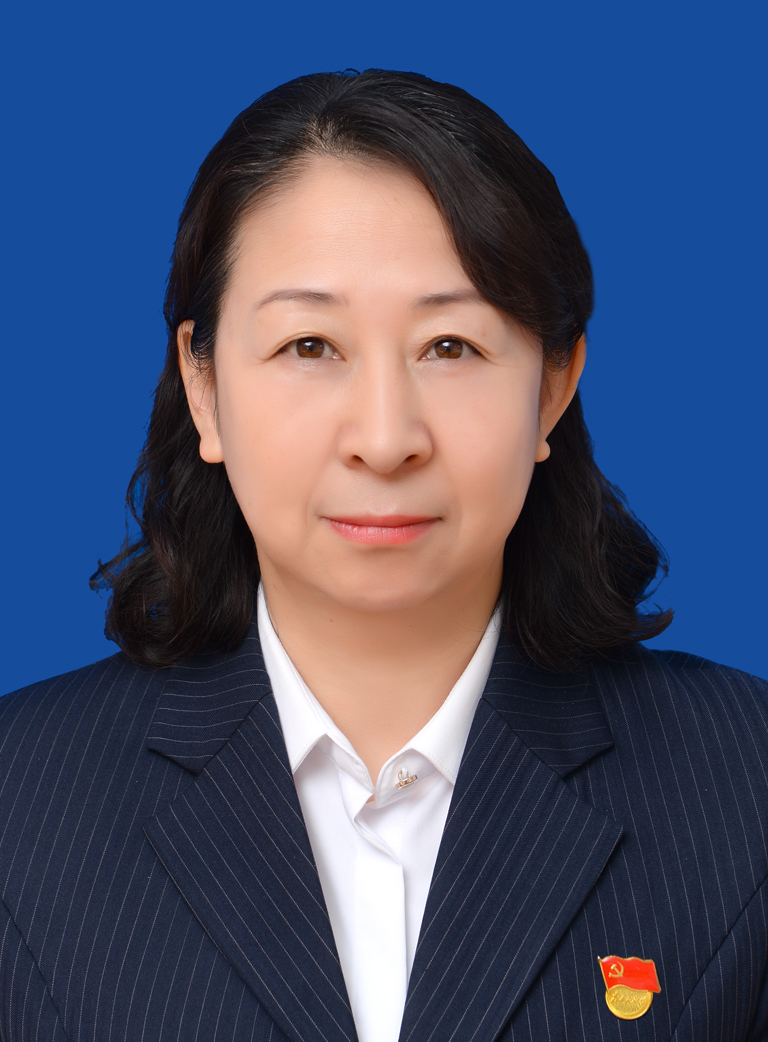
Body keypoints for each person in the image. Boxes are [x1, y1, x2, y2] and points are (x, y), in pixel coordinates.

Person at [0, 69, 766, 1042]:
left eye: (449, 346)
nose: (385, 437)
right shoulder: (19, 803)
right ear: (204, 387)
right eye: (310, 346)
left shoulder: (746, 790)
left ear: (552, 387)